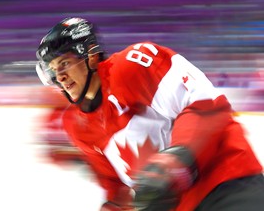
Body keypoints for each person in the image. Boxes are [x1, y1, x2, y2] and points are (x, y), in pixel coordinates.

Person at [35, 17, 264, 211]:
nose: (60, 77)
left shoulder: (132, 65)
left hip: (225, 184)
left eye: (64, 63)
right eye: (53, 70)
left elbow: (205, 104)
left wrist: (175, 161)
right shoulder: (77, 125)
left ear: (92, 56)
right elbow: (117, 187)